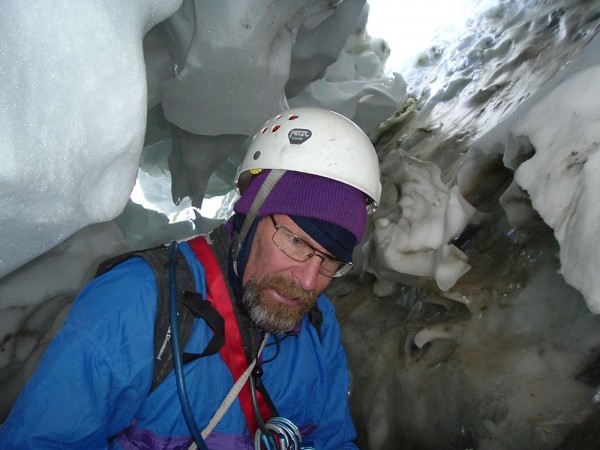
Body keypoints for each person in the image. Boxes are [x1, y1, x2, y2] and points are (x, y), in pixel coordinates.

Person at [0, 107, 382, 449]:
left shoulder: (317, 322)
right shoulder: (137, 303)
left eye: (331, 260)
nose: (309, 281)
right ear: (248, 218)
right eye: (297, 242)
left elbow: (331, 439)